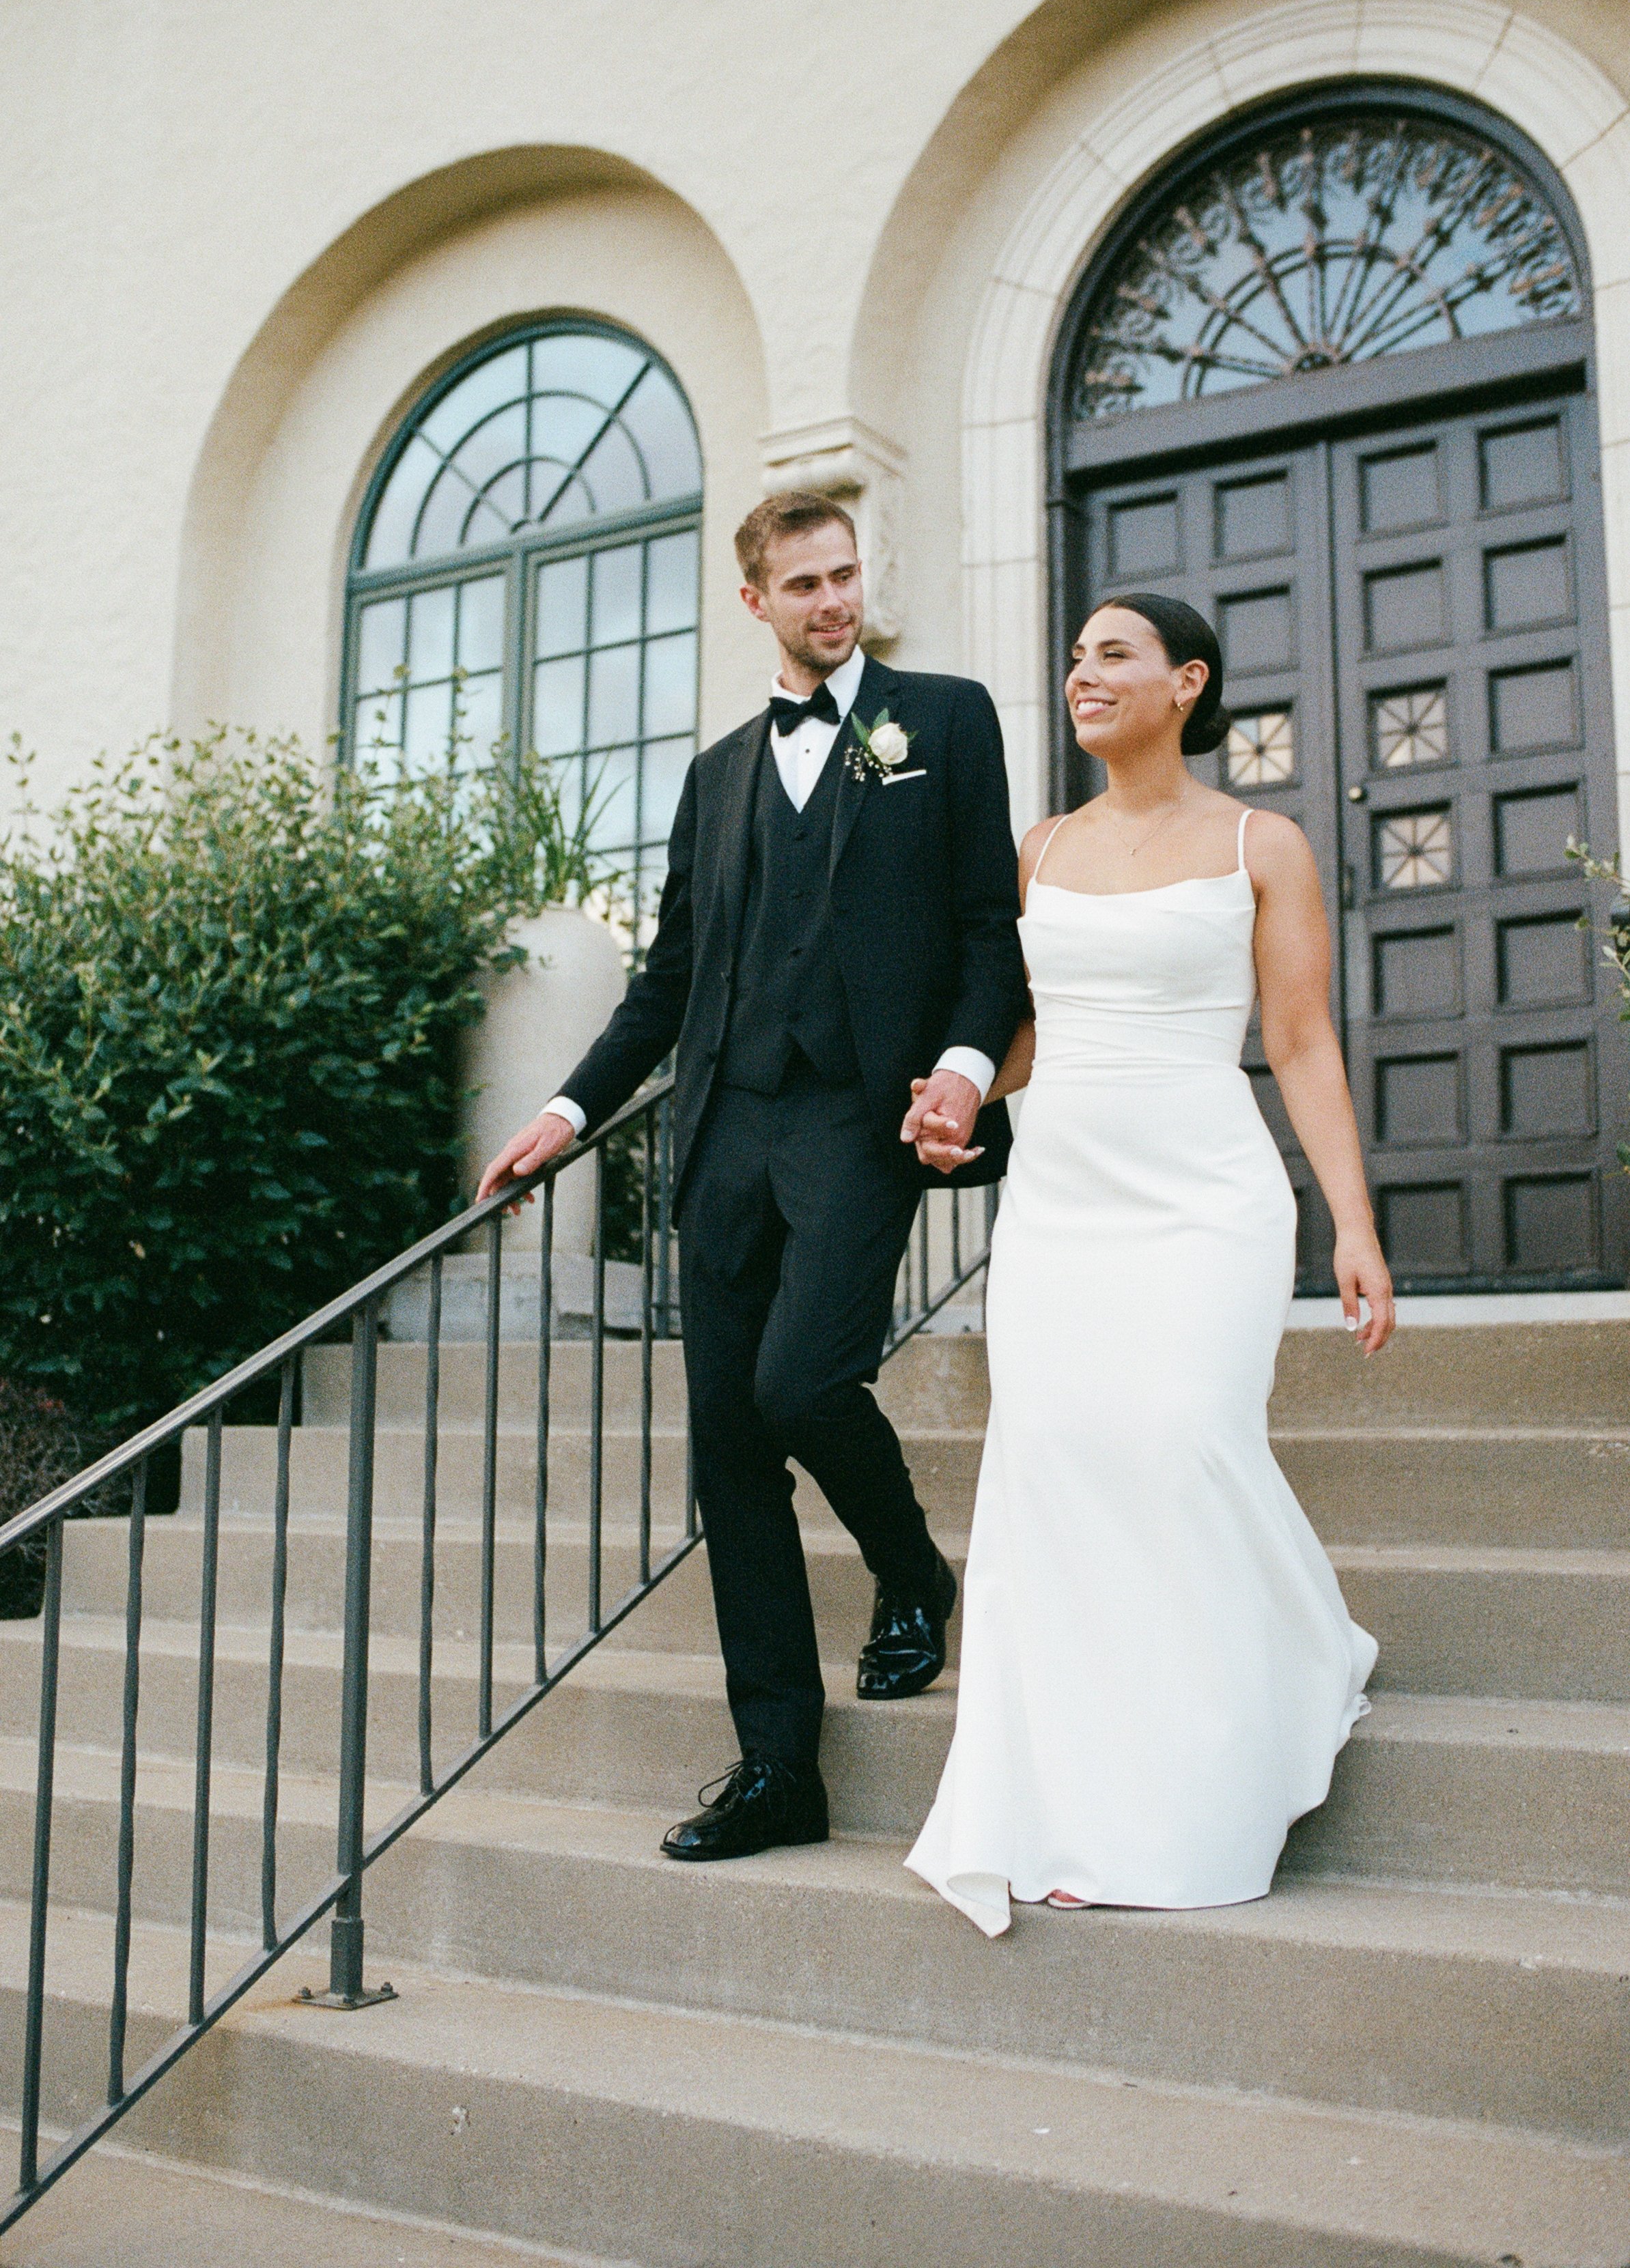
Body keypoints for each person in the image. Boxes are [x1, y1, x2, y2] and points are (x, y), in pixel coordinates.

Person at [478, 492, 1030, 1862]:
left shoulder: (943, 722)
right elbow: (664, 984)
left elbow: (987, 933)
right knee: (731, 1453)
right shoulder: (715, 776)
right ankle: (778, 1766)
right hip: (722, 1135)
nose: (835, 601)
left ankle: (910, 1572)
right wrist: (565, 1109)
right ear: (756, 603)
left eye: (847, 577)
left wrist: (965, 1065)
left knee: (802, 1383)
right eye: (806, 584)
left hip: (861, 1115)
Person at [905, 592, 1391, 1936]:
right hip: (1061, 1203)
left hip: (1204, 1198)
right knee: (1057, 1466)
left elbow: (1298, 1041)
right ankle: (1069, 1795)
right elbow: (1023, 1034)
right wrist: (961, 1095)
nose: (1082, 674)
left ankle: (1261, 1704)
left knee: (1184, 1445)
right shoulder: (1037, 850)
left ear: (1188, 682)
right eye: (1073, 657)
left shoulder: (1261, 843)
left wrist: (1351, 1223)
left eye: (1112, 655)